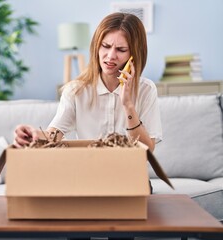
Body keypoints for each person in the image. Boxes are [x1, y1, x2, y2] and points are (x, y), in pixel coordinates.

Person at [14, 12, 162, 152]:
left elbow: (147, 151)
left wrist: (128, 106)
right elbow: (54, 135)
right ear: (96, 46)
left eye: (121, 49)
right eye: (106, 46)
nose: (110, 56)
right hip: (89, 173)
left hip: (129, 175)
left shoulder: (146, 90)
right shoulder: (76, 90)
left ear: (134, 55)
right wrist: (33, 134)